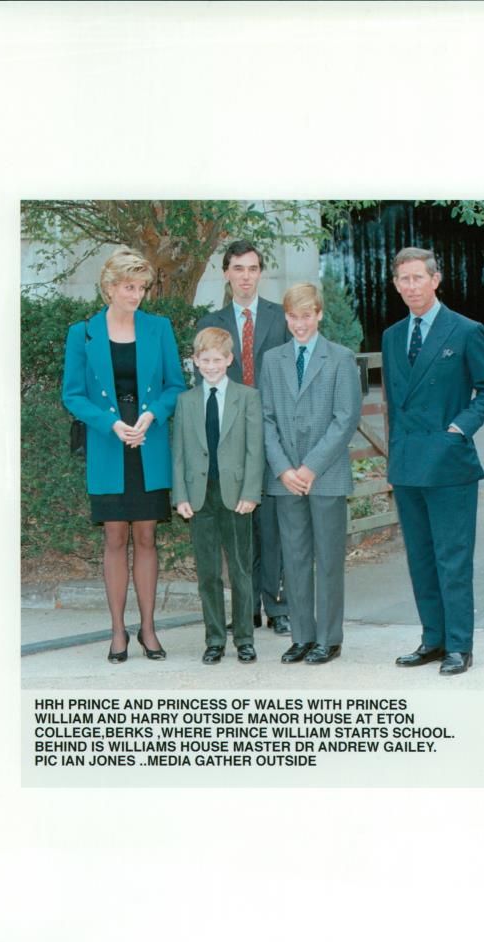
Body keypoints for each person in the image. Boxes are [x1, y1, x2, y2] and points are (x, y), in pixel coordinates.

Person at [382, 247, 484, 676]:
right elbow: (394, 403)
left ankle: (459, 646)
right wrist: (393, 456)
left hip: (449, 463)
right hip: (409, 462)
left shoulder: (466, 330)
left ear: (436, 279)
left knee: (453, 557)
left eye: (418, 278)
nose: (411, 286)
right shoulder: (393, 335)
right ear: (396, 284)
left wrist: (459, 428)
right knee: (420, 557)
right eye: (403, 279)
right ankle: (432, 639)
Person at [62, 246, 186, 664]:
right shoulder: (83, 333)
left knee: (147, 535)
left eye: (141, 287)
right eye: (129, 287)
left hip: (148, 440)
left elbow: (175, 385)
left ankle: (148, 628)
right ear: (110, 287)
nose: (137, 295)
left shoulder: (159, 328)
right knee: (114, 536)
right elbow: (73, 395)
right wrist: (112, 425)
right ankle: (117, 631)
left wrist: (151, 416)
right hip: (107, 440)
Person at [260, 282, 362, 664]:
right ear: (285, 318)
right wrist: (284, 468)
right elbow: (266, 418)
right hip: (286, 478)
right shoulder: (273, 360)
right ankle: (301, 635)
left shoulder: (340, 358)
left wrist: (310, 467)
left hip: (326, 474)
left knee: (328, 557)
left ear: (319, 314)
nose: (299, 324)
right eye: (292, 317)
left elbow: (345, 419)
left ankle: (329, 637)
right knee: (296, 556)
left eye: (306, 316)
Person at [195, 239, 291, 635]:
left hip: (273, 433)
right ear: (226, 273)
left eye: (252, 269)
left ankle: (277, 607)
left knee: (272, 525)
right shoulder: (210, 324)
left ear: (260, 272)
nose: (246, 276)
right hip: (229, 438)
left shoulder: (280, 318)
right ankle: (246, 608)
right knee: (238, 526)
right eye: (238, 268)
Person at [172, 328, 264, 664]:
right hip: (200, 496)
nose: (211, 366)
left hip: (237, 494)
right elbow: (179, 452)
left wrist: (252, 492)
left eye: (217, 359)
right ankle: (214, 638)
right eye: (204, 360)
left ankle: (244, 637)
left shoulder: (247, 397)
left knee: (240, 569)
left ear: (229, 360)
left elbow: (255, 450)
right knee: (208, 571)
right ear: (195, 362)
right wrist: (180, 494)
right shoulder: (186, 401)